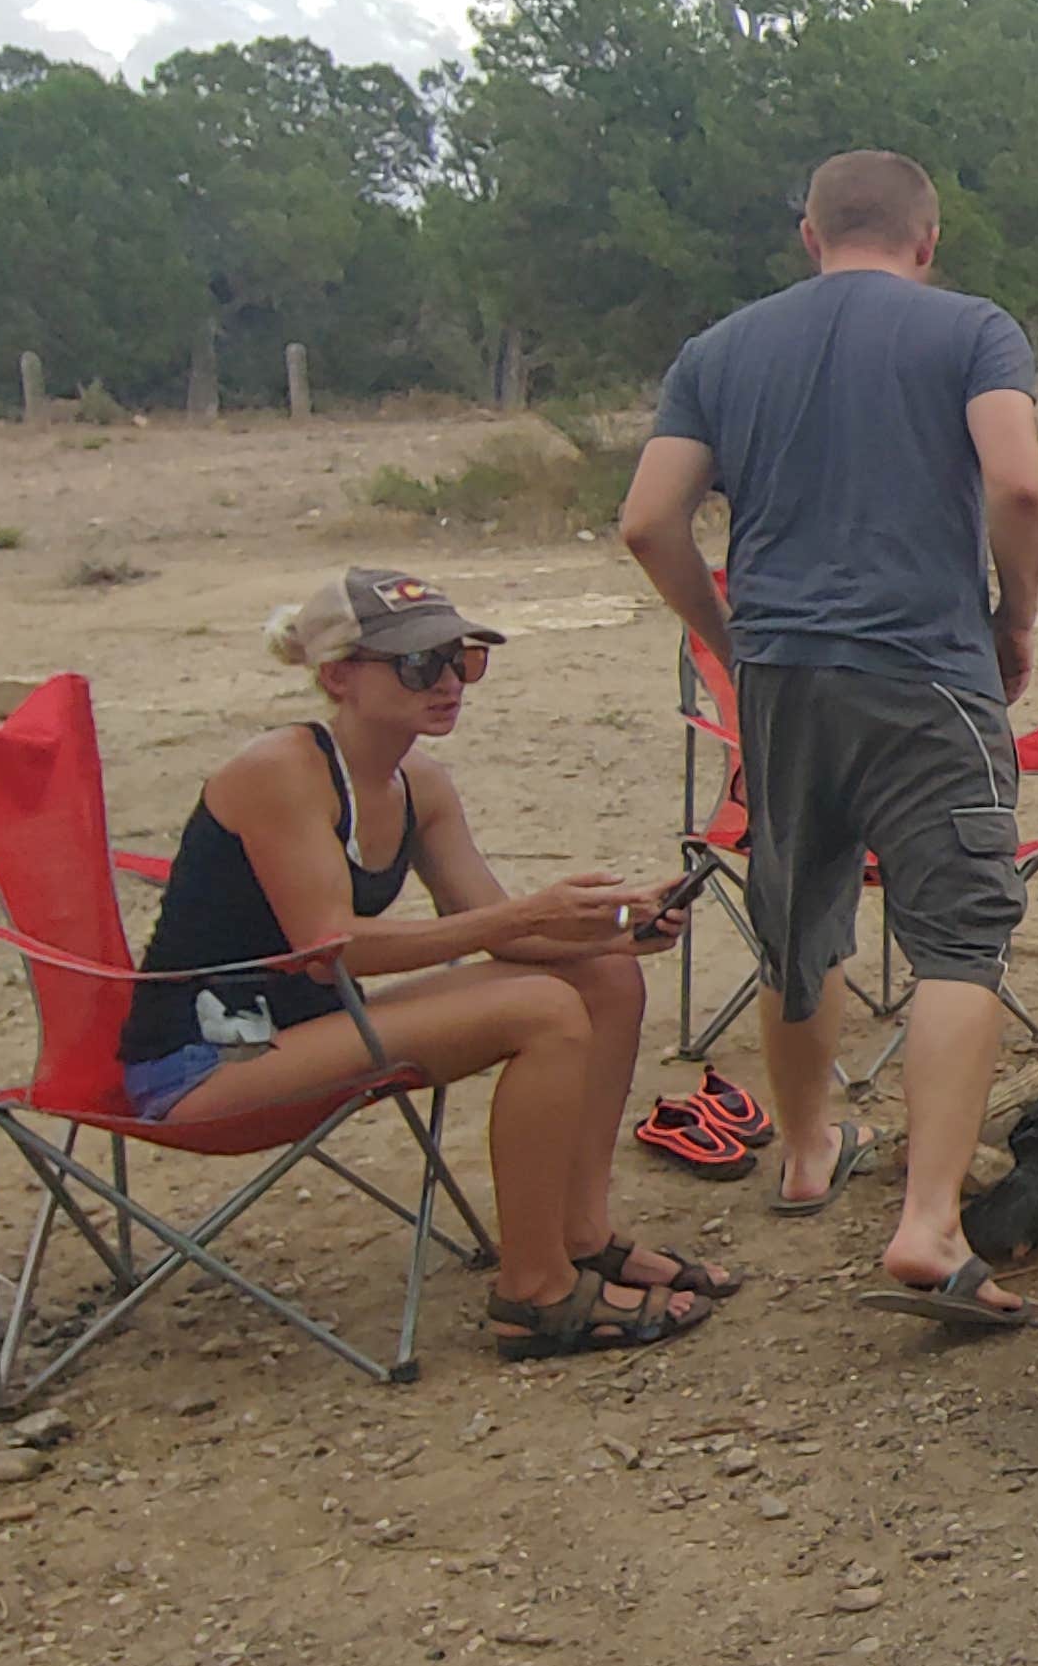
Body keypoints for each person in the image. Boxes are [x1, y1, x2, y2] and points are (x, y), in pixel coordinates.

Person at [616, 147, 1038, 1329]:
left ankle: (808, 1153)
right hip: (926, 671)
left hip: (781, 676)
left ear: (808, 237)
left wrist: (727, 634)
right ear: (928, 238)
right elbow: (1018, 489)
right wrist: (1013, 621)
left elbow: (649, 519)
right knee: (961, 933)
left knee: (796, 908)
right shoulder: (970, 330)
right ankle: (927, 1223)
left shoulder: (719, 351)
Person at [123, 568, 730, 1360]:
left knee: (604, 979)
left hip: (307, 1028)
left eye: (462, 659)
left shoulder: (420, 784)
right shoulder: (282, 770)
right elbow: (329, 948)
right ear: (338, 676)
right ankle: (534, 1294)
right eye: (418, 664)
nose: (449, 682)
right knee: (540, 1012)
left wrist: (615, 927)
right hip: (205, 1064)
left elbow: (508, 937)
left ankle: (582, 1236)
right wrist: (531, 914)